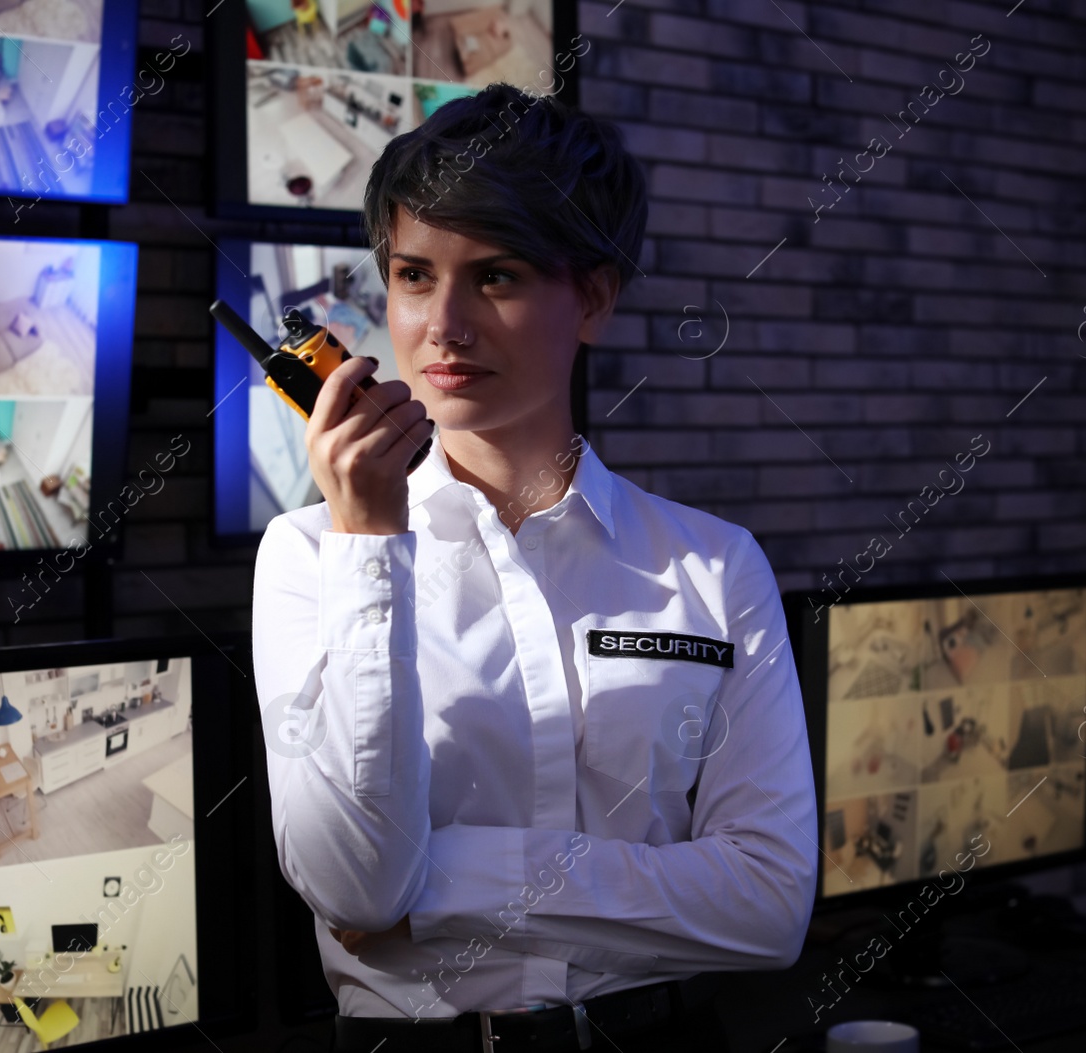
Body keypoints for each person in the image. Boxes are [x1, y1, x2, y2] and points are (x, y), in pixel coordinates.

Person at [251, 83, 817, 1053]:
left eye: (498, 277)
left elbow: (768, 904)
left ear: (592, 297)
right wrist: (369, 544)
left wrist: (440, 885)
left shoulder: (713, 566)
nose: (443, 326)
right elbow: (352, 888)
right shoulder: (311, 557)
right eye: (414, 275)